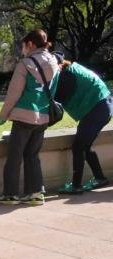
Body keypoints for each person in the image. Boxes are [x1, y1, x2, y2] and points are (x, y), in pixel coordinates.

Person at [0, 29, 59, 206]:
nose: (22, 48)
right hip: (43, 116)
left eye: (24, 45)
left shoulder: (25, 64)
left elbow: (14, 94)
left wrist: (3, 116)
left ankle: (10, 194)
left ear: (30, 44)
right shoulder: (54, 62)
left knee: (14, 157)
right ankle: (35, 193)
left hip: (23, 116)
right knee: (32, 155)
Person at [54, 59, 112, 194]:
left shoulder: (65, 76)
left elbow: (58, 98)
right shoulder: (71, 69)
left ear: (58, 66)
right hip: (102, 105)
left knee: (78, 146)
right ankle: (100, 178)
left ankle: (76, 186)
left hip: (97, 108)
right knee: (85, 145)